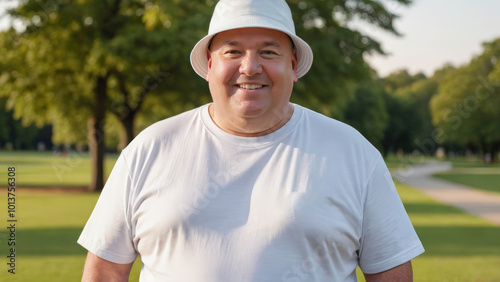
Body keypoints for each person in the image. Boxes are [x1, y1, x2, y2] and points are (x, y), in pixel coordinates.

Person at [78, 0, 424, 281]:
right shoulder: (150, 148)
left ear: (293, 64)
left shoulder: (352, 152)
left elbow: (390, 272)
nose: (250, 67)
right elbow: (106, 270)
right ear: (210, 64)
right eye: (232, 52)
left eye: (269, 52)